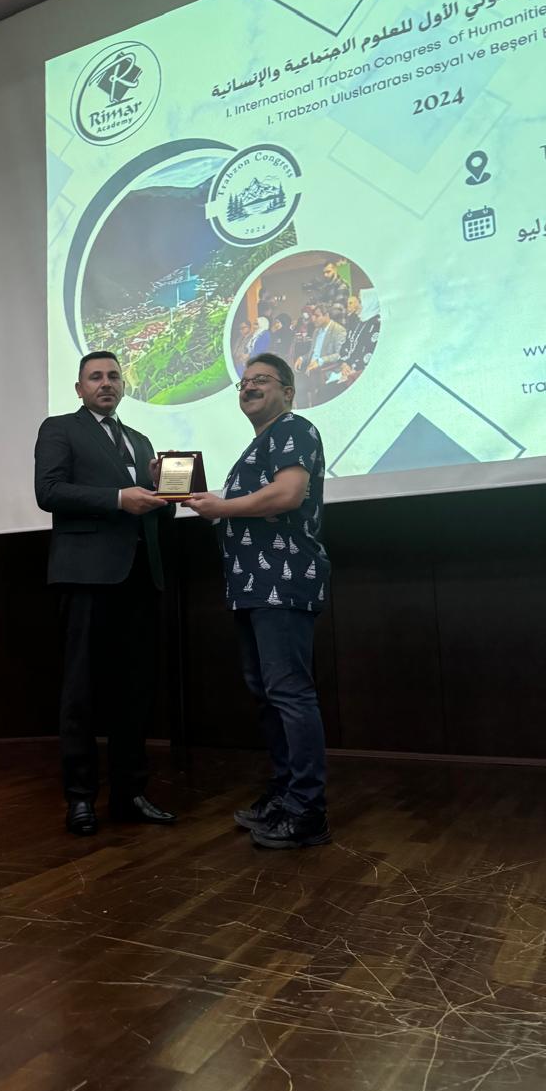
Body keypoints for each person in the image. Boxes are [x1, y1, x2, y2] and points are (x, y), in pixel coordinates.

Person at [183, 352, 331, 849]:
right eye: (244, 382)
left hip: (281, 582)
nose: (248, 387)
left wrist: (222, 507)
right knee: (268, 694)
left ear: (288, 392)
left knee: (289, 693)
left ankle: (308, 811)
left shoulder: (294, 429)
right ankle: (286, 793)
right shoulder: (260, 444)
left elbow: (287, 494)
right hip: (251, 586)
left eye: (261, 380)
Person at [34, 351, 177, 836]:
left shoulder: (140, 440)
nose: (106, 383)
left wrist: (164, 491)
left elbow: (157, 509)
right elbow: (49, 492)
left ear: (123, 385)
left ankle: (129, 794)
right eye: (95, 377)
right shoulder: (59, 428)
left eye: (114, 376)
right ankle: (80, 799)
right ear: (80, 389)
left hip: (139, 577)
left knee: (134, 692)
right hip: (86, 576)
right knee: (81, 692)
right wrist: (119, 498)